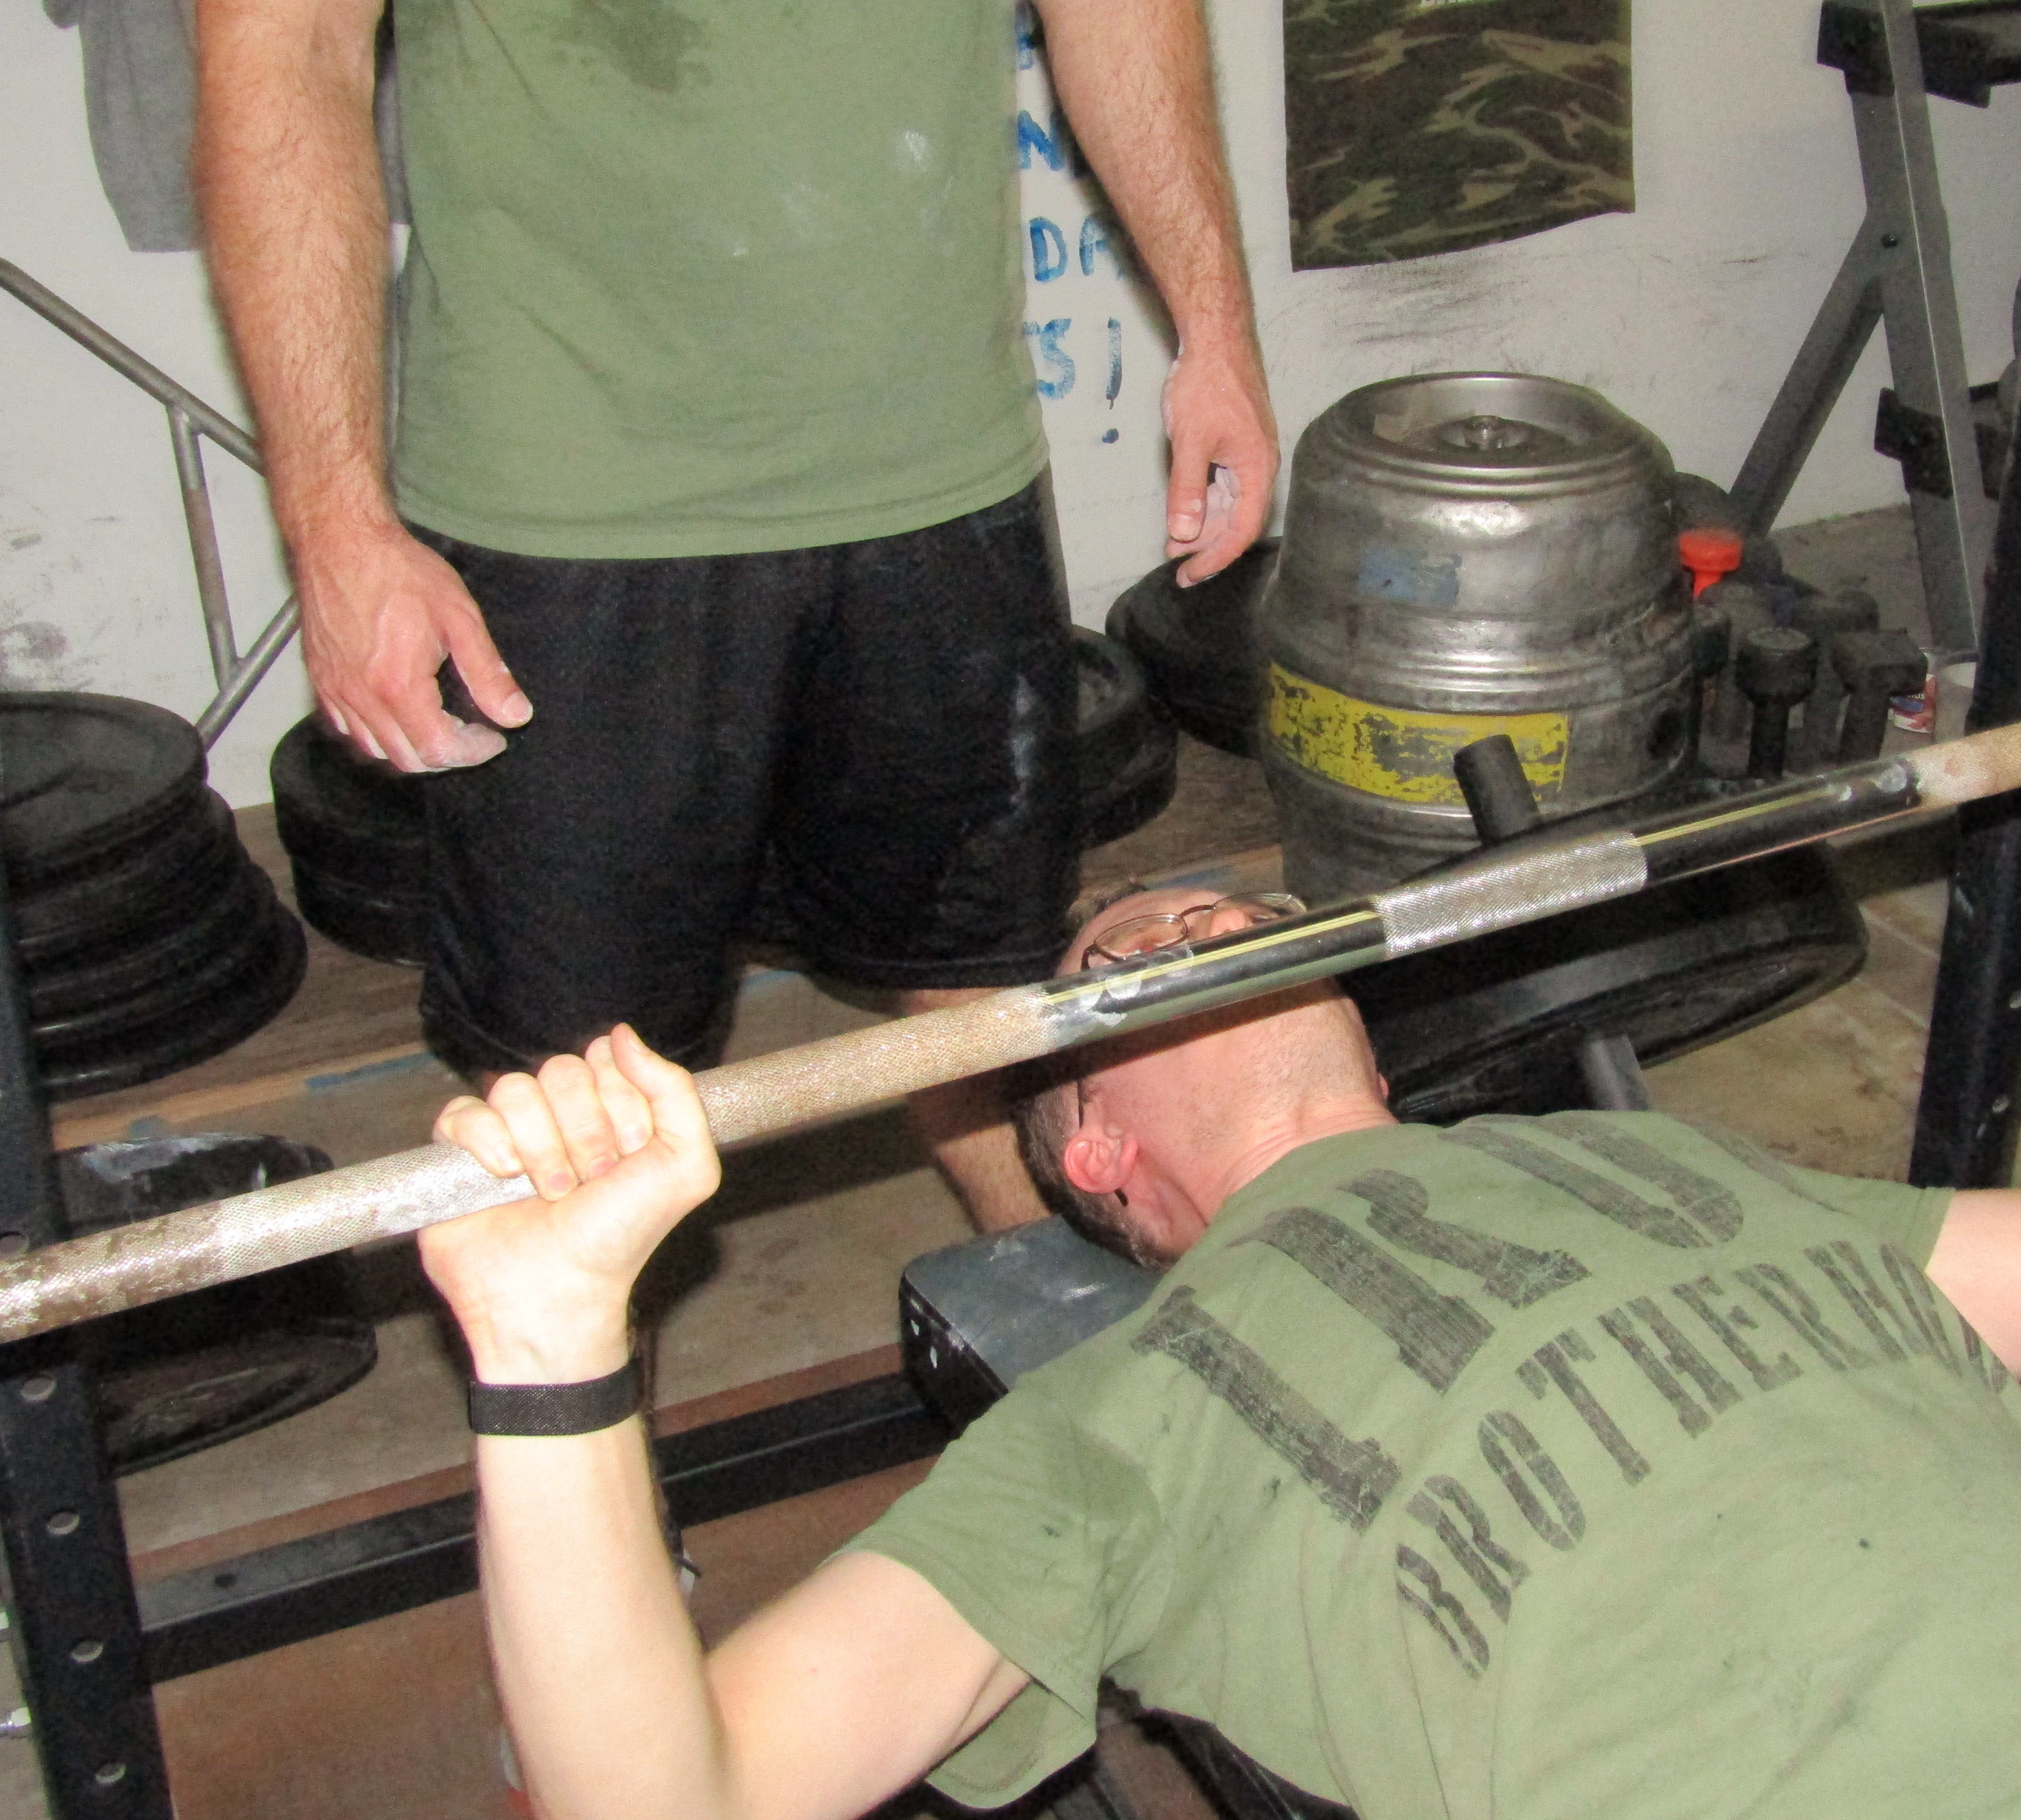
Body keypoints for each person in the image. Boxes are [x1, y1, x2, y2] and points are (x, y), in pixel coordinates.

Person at [415, 625, 2021, 1820]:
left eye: (1234, 910)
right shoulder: (1116, 1426)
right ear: (1090, 1153)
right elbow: (675, 1795)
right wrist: (550, 1347)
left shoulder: (1669, 1169)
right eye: (1139, 949)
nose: (1216, 918)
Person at [193, 0, 1278, 1229]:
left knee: (980, 992)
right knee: (580, 1094)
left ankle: (1044, 1319)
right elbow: (287, 54)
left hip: (941, 468)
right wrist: (336, 527)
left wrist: (1217, 327)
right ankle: (574, 1359)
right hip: (565, 502)